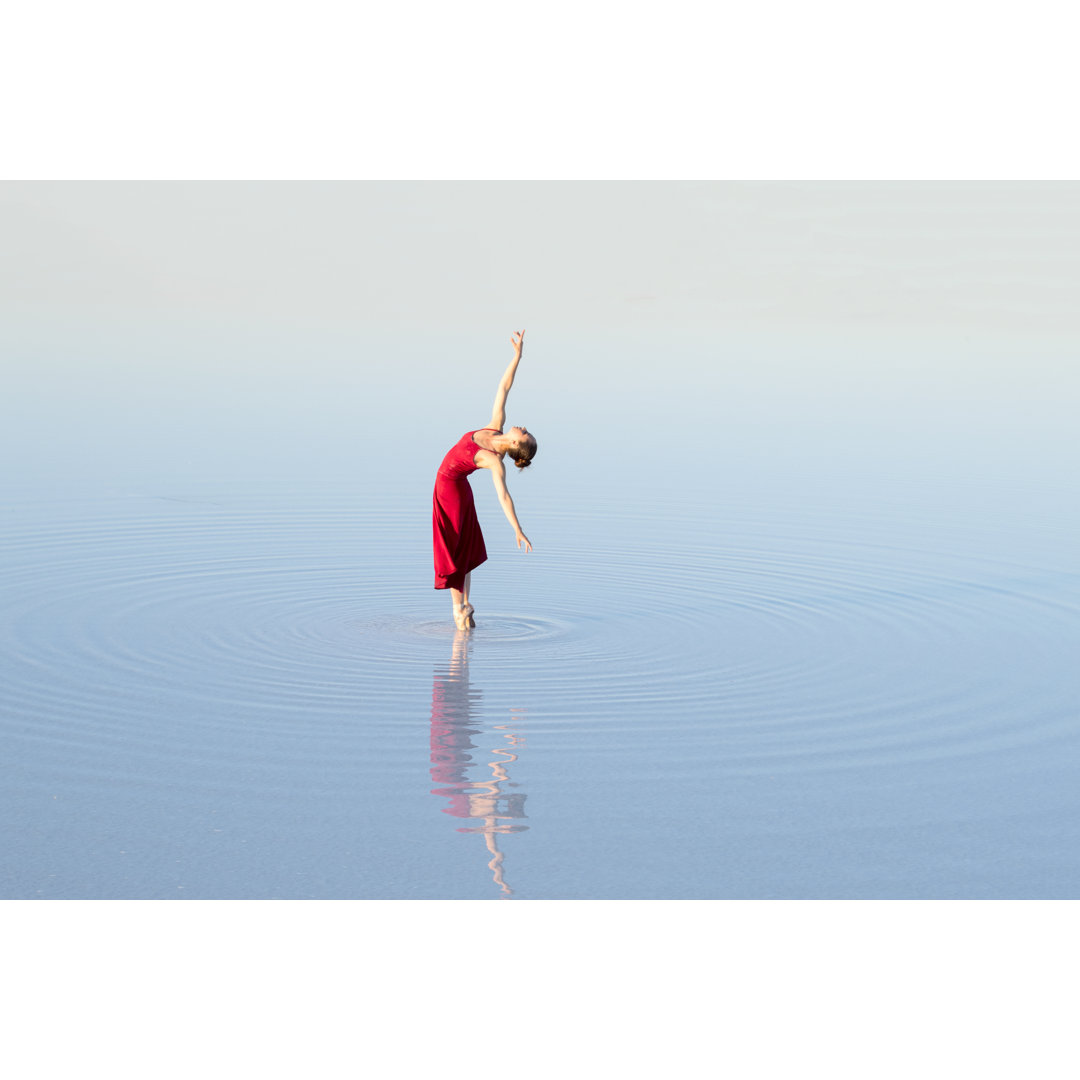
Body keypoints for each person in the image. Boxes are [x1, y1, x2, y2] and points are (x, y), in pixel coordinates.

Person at [432, 330, 537, 629]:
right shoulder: (495, 427)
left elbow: (504, 496)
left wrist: (517, 529)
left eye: (524, 433)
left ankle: (458, 610)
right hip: (459, 488)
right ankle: (464, 605)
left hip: (448, 488)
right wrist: (517, 357)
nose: (523, 427)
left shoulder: (493, 460)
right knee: (463, 543)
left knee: (455, 547)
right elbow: (503, 388)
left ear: (518, 445)